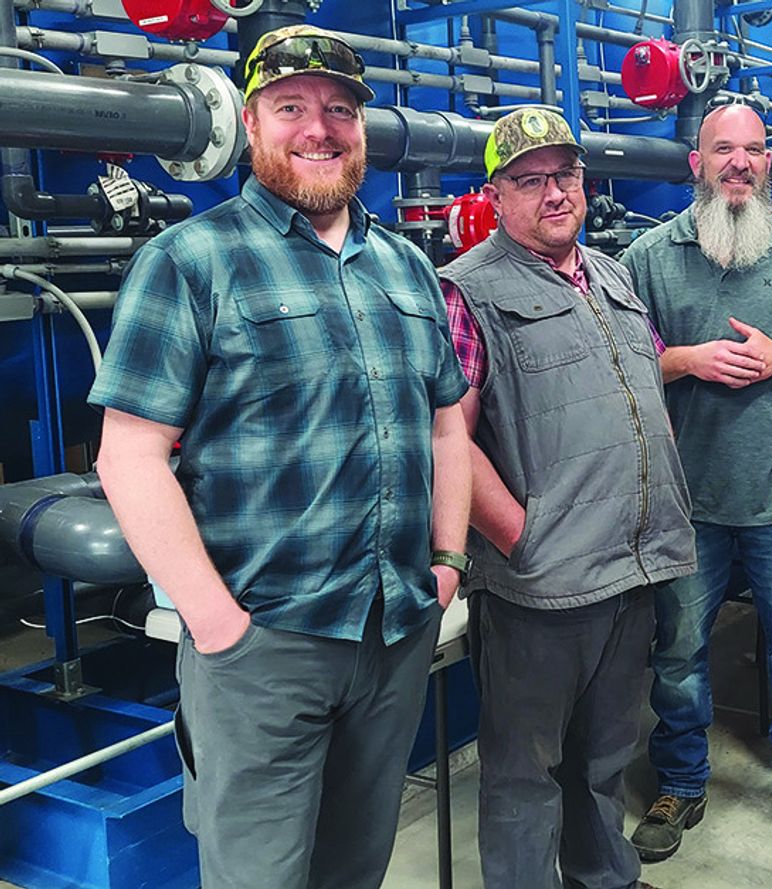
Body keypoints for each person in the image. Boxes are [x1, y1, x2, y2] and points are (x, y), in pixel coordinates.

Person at [88, 25, 472, 889]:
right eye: (291, 108)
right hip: (262, 647)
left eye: (340, 110)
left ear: (363, 130)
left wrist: (446, 563)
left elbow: (447, 424)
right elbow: (129, 456)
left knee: (355, 868)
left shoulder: (407, 268)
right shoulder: (191, 261)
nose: (319, 128)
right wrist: (219, 623)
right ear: (251, 126)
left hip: (392, 632)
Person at [439, 107, 696, 889]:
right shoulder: (468, 290)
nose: (555, 193)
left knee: (606, 756)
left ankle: (605, 878)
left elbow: (642, 391)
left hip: (633, 565)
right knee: (524, 776)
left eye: (567, 175)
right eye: (531, 180)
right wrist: (523, 537)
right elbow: (445, 438)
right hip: (541, 587)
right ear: (497, 194)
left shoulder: (613, 273)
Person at [621, 97, 772, 864]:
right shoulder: (649, 257)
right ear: (697, 163)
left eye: (753, 150)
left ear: (767, 163)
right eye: (723, 149)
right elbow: (616, 361)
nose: (739, 163)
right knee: (680, 651)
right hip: (686, 499)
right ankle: (681, 781)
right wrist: (687, 359)